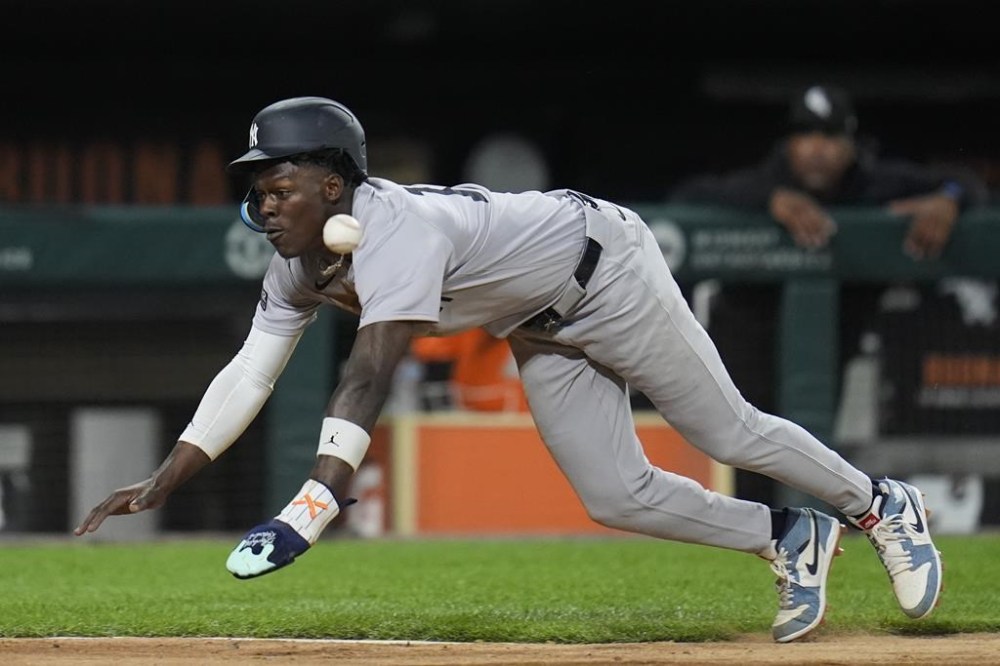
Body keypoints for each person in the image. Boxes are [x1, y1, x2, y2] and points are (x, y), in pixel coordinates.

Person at [74, 95, 943, 644]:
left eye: (279, 181)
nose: (262, 199)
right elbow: (248, 375)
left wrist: (312, 505)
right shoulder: (294, 263)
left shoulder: (396, 227)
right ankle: (787, 537)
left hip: (605, 271)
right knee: (615, 494)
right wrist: (165, 475)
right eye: (255, 184)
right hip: (534, 320)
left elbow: (370, 372)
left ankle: (878, 505)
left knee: (723, 428)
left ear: (336, 185)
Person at [669, 83, 989, 505]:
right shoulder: (765, 181)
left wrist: (947, 200)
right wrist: (770, 200)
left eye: (829, 137)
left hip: (831, 344)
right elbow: (687, 198)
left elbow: (965, 183)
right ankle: (753, 538)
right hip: (747, 342)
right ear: (790, 142)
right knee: (744, 454)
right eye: (806, 136)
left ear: (849, 143)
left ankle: (815, 532)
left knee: (813, 451)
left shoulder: (873, 182)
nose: (817, 149)